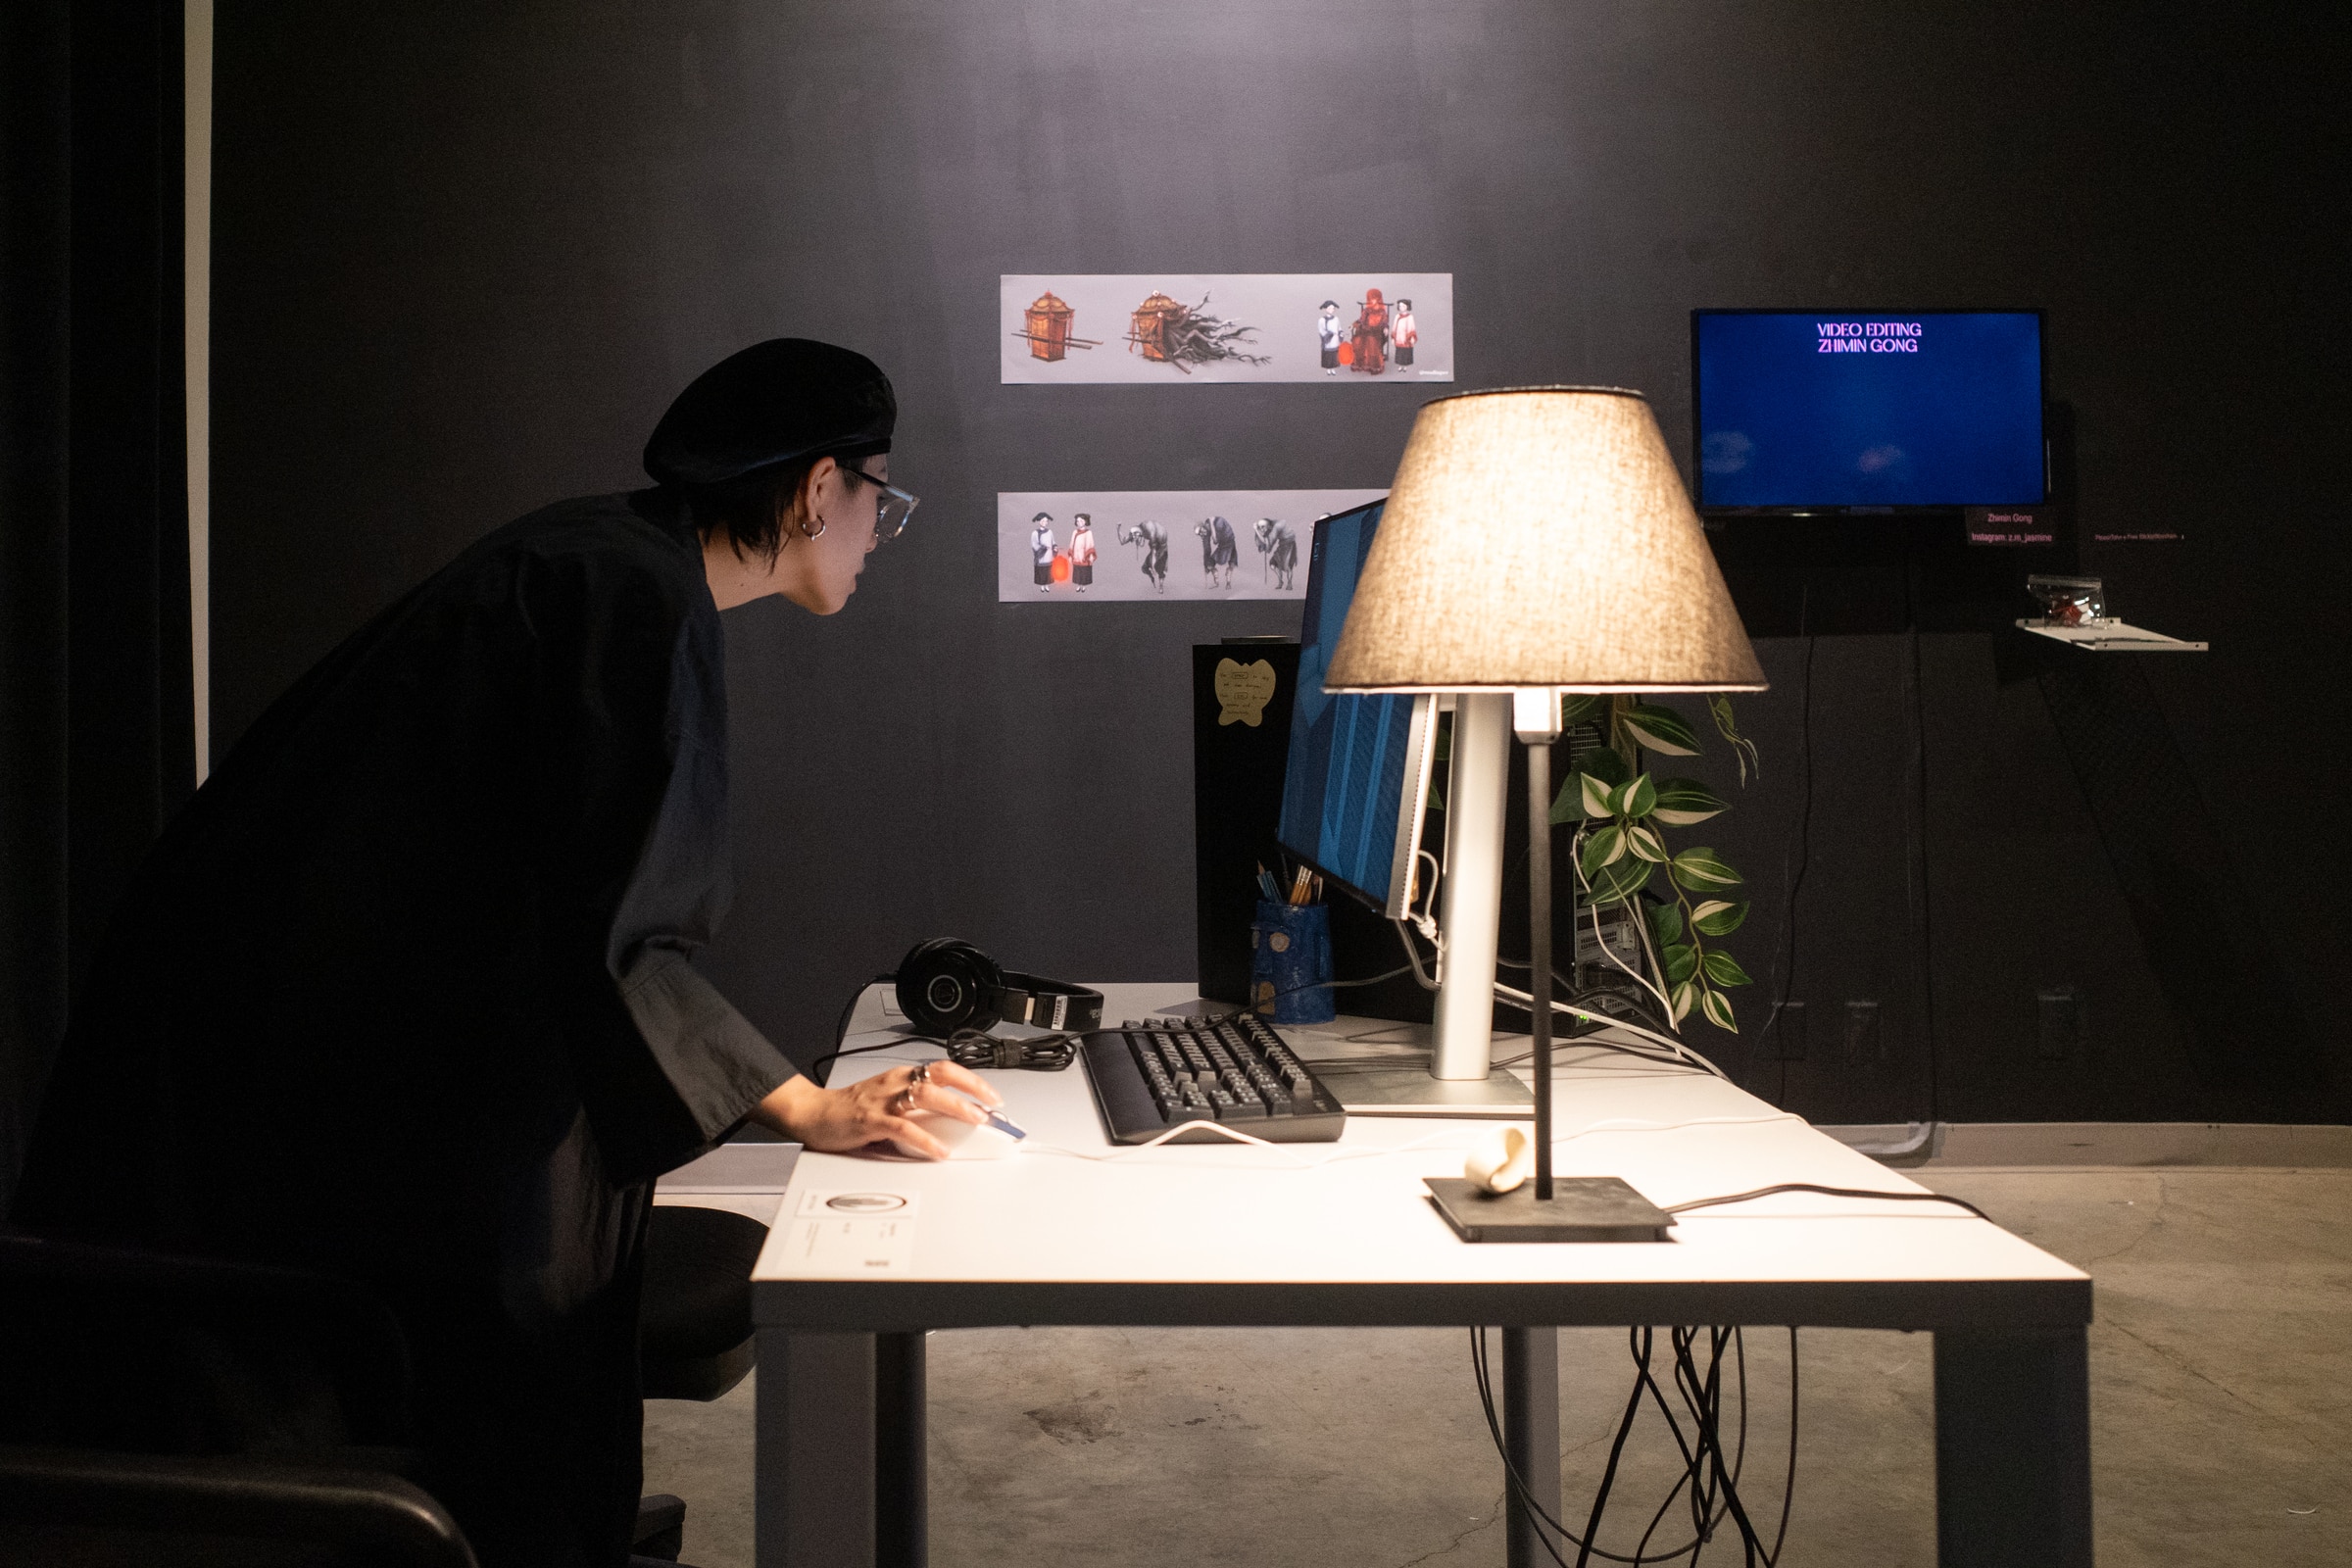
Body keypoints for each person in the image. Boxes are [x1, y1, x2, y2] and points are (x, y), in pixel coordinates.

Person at [9, 338, 1002, 1568]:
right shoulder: (632, 598)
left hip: (279, 1060)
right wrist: (809, 1105)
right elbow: (617, 939)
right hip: (301, 1115)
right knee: (521, 1360)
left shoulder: (597, 557)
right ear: (813, 489)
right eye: (879, 499)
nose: (878, 534)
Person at [1350, 288, 1390, 375]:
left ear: (1378, 299)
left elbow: (1385, 322)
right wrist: (1353, 325)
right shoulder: (1367, 310)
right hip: (1366, 329)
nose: (1371, 300)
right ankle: (1360, 363)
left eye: (1373, 298)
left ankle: (1374, 365)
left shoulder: (1382, 311)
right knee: (1358, 340)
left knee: (1371, 340)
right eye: (1370, 299)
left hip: (1377, 330)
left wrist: (1385, 328)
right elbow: (1361, 320)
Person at [1068, 513, 1097, 593]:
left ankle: (1083, 586)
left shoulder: (1088, 532)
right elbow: (1072, 543)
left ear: (1085, 521)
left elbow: (1090, 544)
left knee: (1084, 572)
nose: (1079, 523)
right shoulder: (1074, 532)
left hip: (1084, 555)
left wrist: (1090, 555)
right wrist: (1070, 556)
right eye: (1077, 521)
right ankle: (1078, 585)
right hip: (1076, 555)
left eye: (1081, 521)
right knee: (1077, 571)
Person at [1030, 511, 1056, 592]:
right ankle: (1042, 586)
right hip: (1041, 557)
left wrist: (1055, 547)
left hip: (1049, 556)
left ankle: (1047, 585)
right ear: (1039, 521)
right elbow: (1034, 545)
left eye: (1046, 521)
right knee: (1042, 572)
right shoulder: (1035, 533)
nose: (1045, 523)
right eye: (1043, 521)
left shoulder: (1050, 532)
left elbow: (1053, 542)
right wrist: (1043, 548)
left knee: (1048, 572)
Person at [1316, 299, 1344, 374]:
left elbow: (1339, 328)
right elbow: (1321, 330)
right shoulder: (1322, 320)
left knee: (1334, 355)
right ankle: (1328, 369)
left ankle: (1333, 368)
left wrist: (1341, 333)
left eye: (1333, 308)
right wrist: (1329, 334)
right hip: (1328, 341)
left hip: (1335, 340)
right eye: (1330, 308)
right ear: (1326, 309)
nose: (1332, 310)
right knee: (1328, 355)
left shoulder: (1336, 319)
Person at [1393, 298, 1417, 368]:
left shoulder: (1410, 317)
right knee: (1399, 351)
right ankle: (1400, 365)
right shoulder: (1397, 316)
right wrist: (1393, 337)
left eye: (1403, 306)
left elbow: (1412, 327)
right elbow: (1394, 327)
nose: (1401, 308)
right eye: (1400, 306)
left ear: (1407, 307)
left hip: (1406, 337)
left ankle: (1405, 366)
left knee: (1406, 352)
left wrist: (1412, 337)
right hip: (1399, 337)